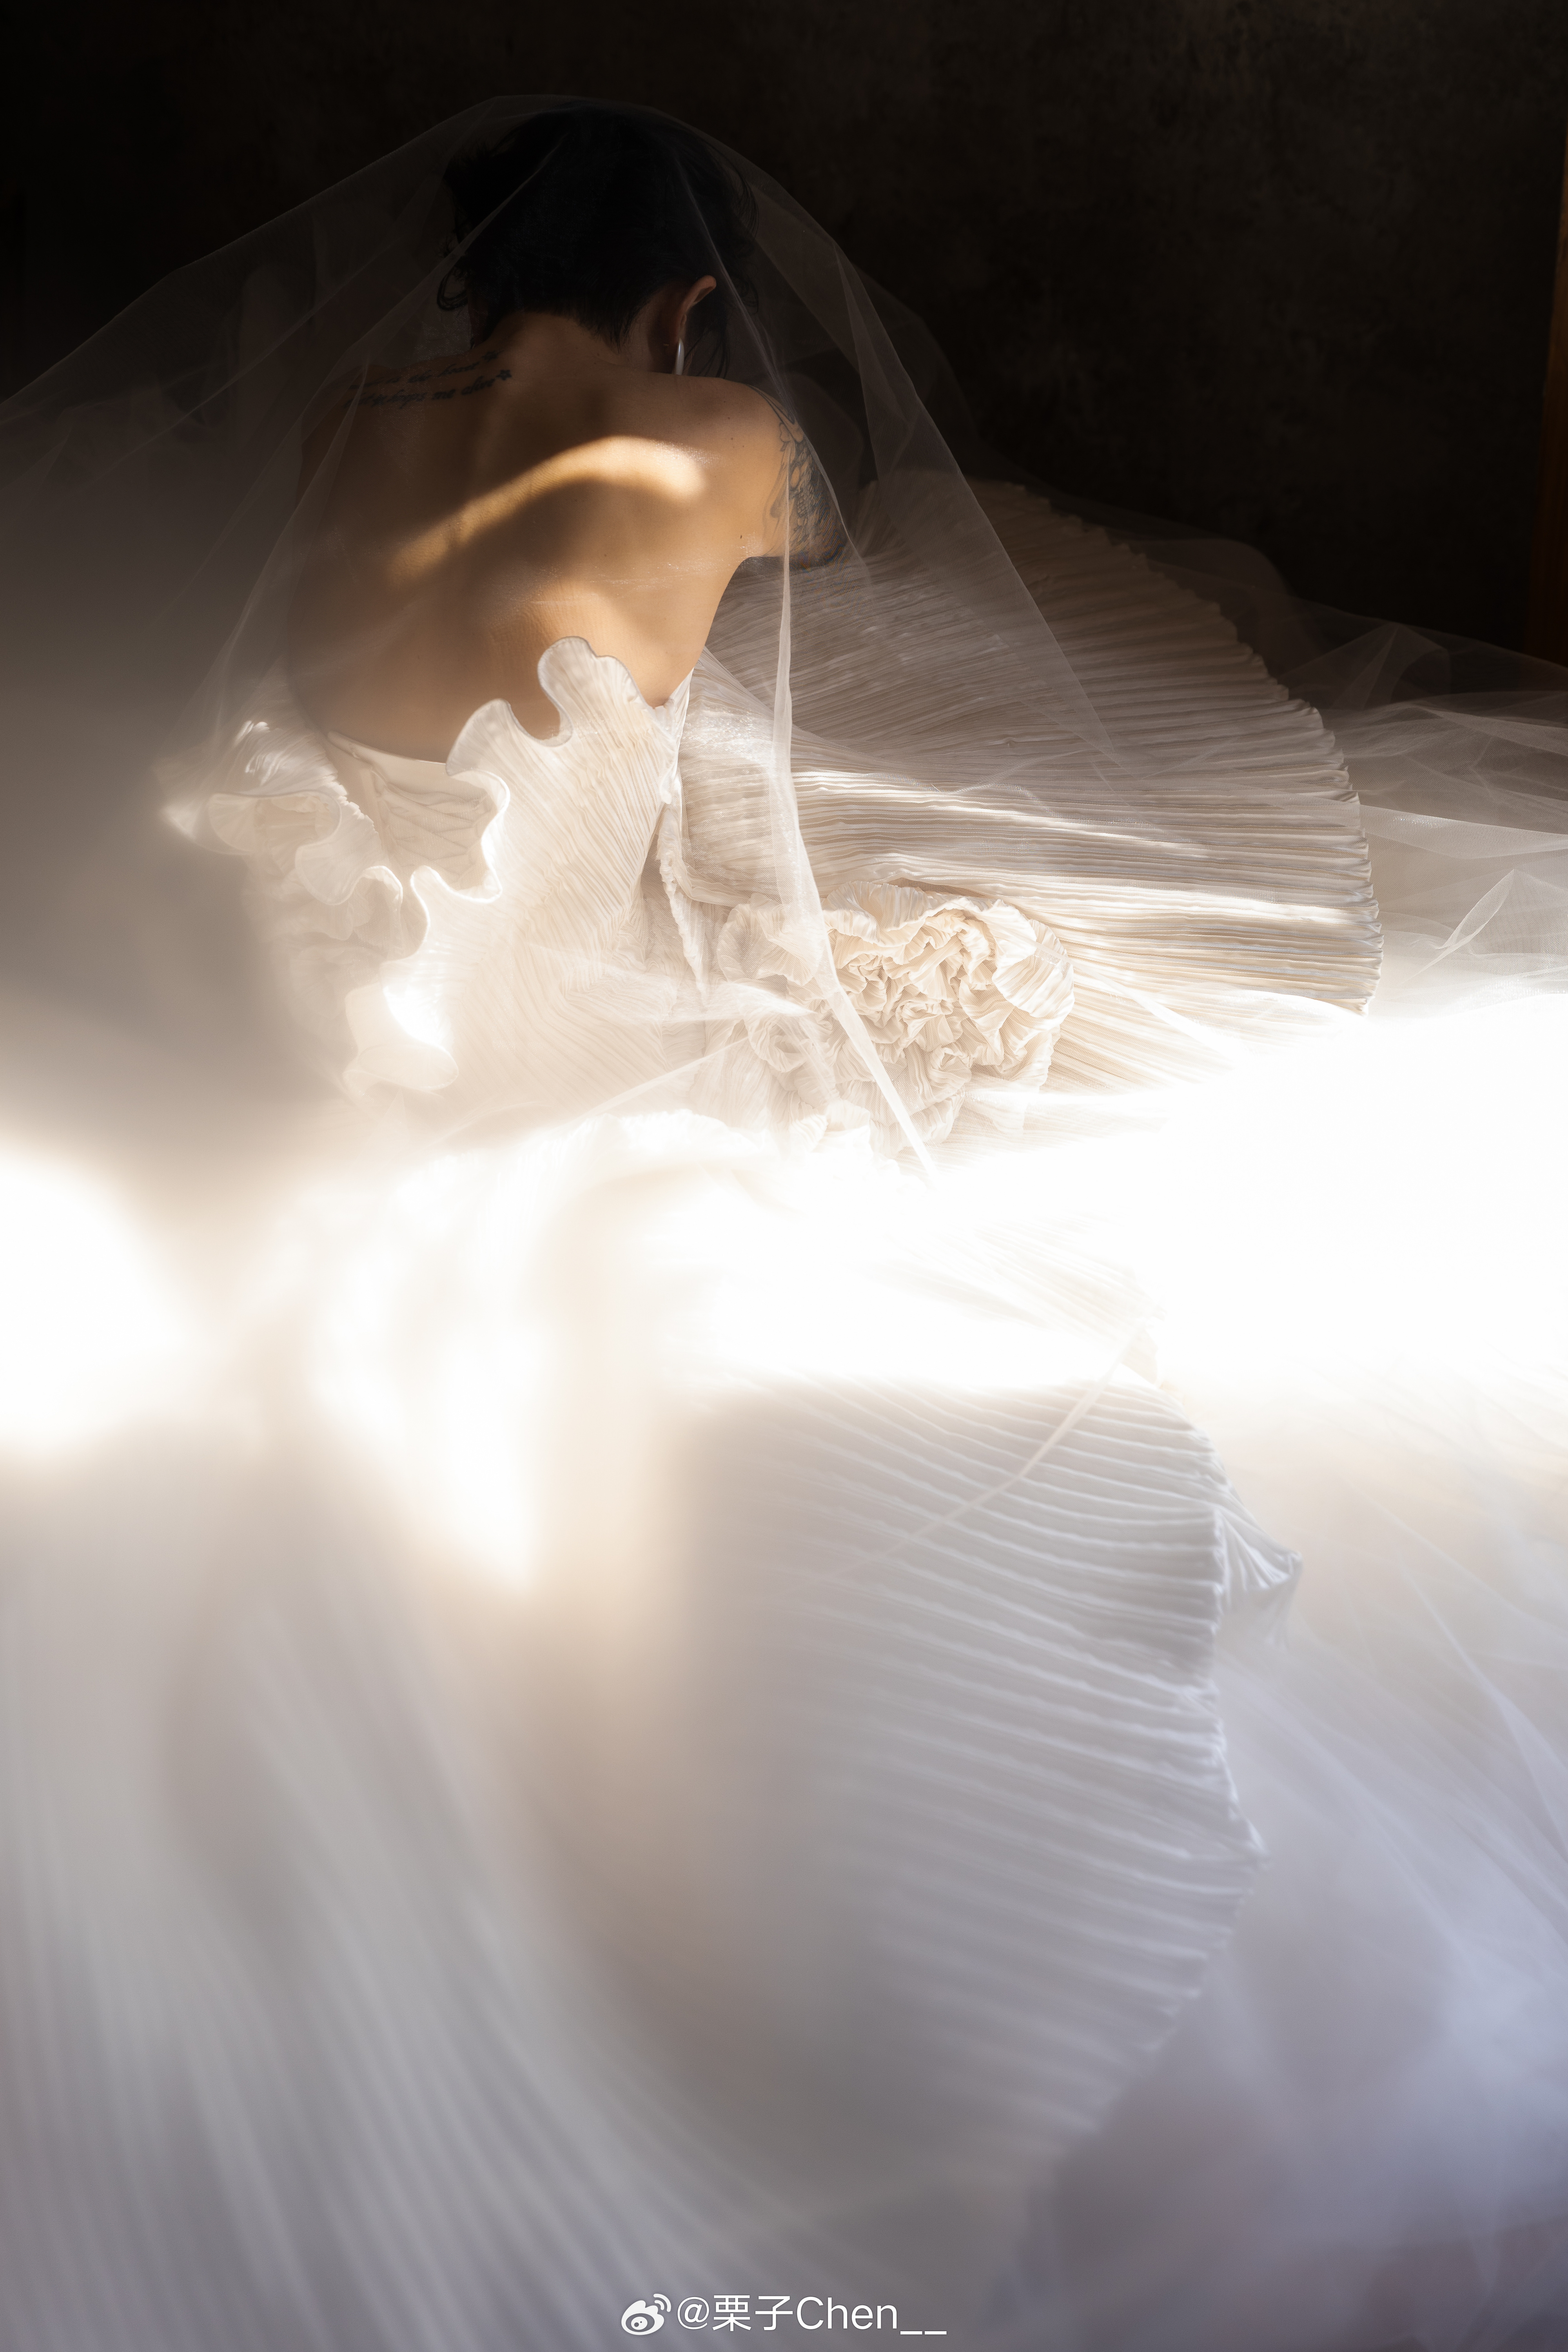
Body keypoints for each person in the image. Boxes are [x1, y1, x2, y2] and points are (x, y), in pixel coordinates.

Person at [0, 97, 1565, 2352]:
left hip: (313, 963)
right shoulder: (716, 429)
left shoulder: (353, 421)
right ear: (695, 293)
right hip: (517, 1021)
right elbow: (820, 568)